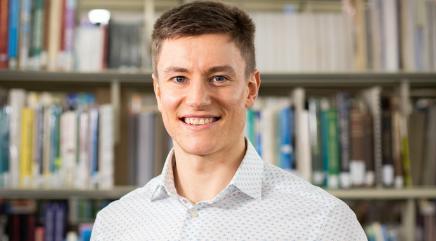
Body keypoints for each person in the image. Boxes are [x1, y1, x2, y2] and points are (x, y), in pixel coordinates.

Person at [91, 1, 367, 240]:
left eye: (219, 78)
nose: (198, 99)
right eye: (179, 79)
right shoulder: (114, 224)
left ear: (251, 88)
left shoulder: (323, 222)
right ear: (158, 90)